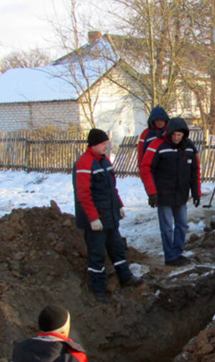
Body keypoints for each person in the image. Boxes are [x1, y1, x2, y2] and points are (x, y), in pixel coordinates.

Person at [72, 129, 143, 302]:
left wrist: (118, 205)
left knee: (117, 248)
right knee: (96, 254)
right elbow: (83, 195)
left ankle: (125, 277)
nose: (106, 146)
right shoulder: (84, 163)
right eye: (103, 143)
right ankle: (98, 289)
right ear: (94, 144)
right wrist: (93, 218)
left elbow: (112, 188)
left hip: (109, 216)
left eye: (107, 143)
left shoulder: (104, 162)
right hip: (96, 219)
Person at [140, 117, 201, 266]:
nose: (176, 138)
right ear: (168, 133)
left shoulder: (189, 147)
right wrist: (152, 192)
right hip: (163, 194)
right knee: (167, 227)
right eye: (174, 135)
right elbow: (145, 168)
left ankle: (178, 252)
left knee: (181, 224)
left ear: (184, 135)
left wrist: (196, 192)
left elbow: (195, 171)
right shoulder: (157, 145)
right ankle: (170, 256)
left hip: (181, 194)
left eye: (179, 135)